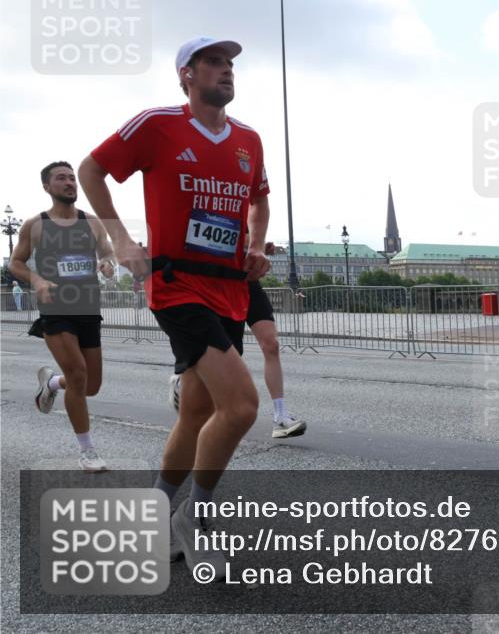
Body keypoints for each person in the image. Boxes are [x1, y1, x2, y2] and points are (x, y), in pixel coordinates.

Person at [79, 36, 271, 579]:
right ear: (186, 75)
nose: (226, 71)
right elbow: (90, 168)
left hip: (229, 288)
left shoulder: (249, 140)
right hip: (176, 286)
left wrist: (256, 247)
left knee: (196, 412)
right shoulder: (157, 124)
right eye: (213, 62)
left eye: (230, 63)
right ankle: (196, 518)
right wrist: (119, 239)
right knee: (241, 407)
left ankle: (157, 511)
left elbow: (259, 198)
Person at [9, 161, 115, 472]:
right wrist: (38, 281)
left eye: (72, 178)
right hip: (56, 308)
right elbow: (16, 263)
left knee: (90, 385)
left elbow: (107, 253)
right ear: (47, 187)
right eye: (61, 178)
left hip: (88, 307)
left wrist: (108, 264)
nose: (70, 183)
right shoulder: (35, 225)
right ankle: (87, 451)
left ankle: (52, 383)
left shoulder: (92, 222)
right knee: (79, 374)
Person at [169, 243, 306, 439]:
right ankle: (184, 382)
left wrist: (258, 248)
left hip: (246, 279)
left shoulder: (253, 212)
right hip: (219, 280)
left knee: (271, 344)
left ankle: (280, 416)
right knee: (225, 352)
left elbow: (252, 230)